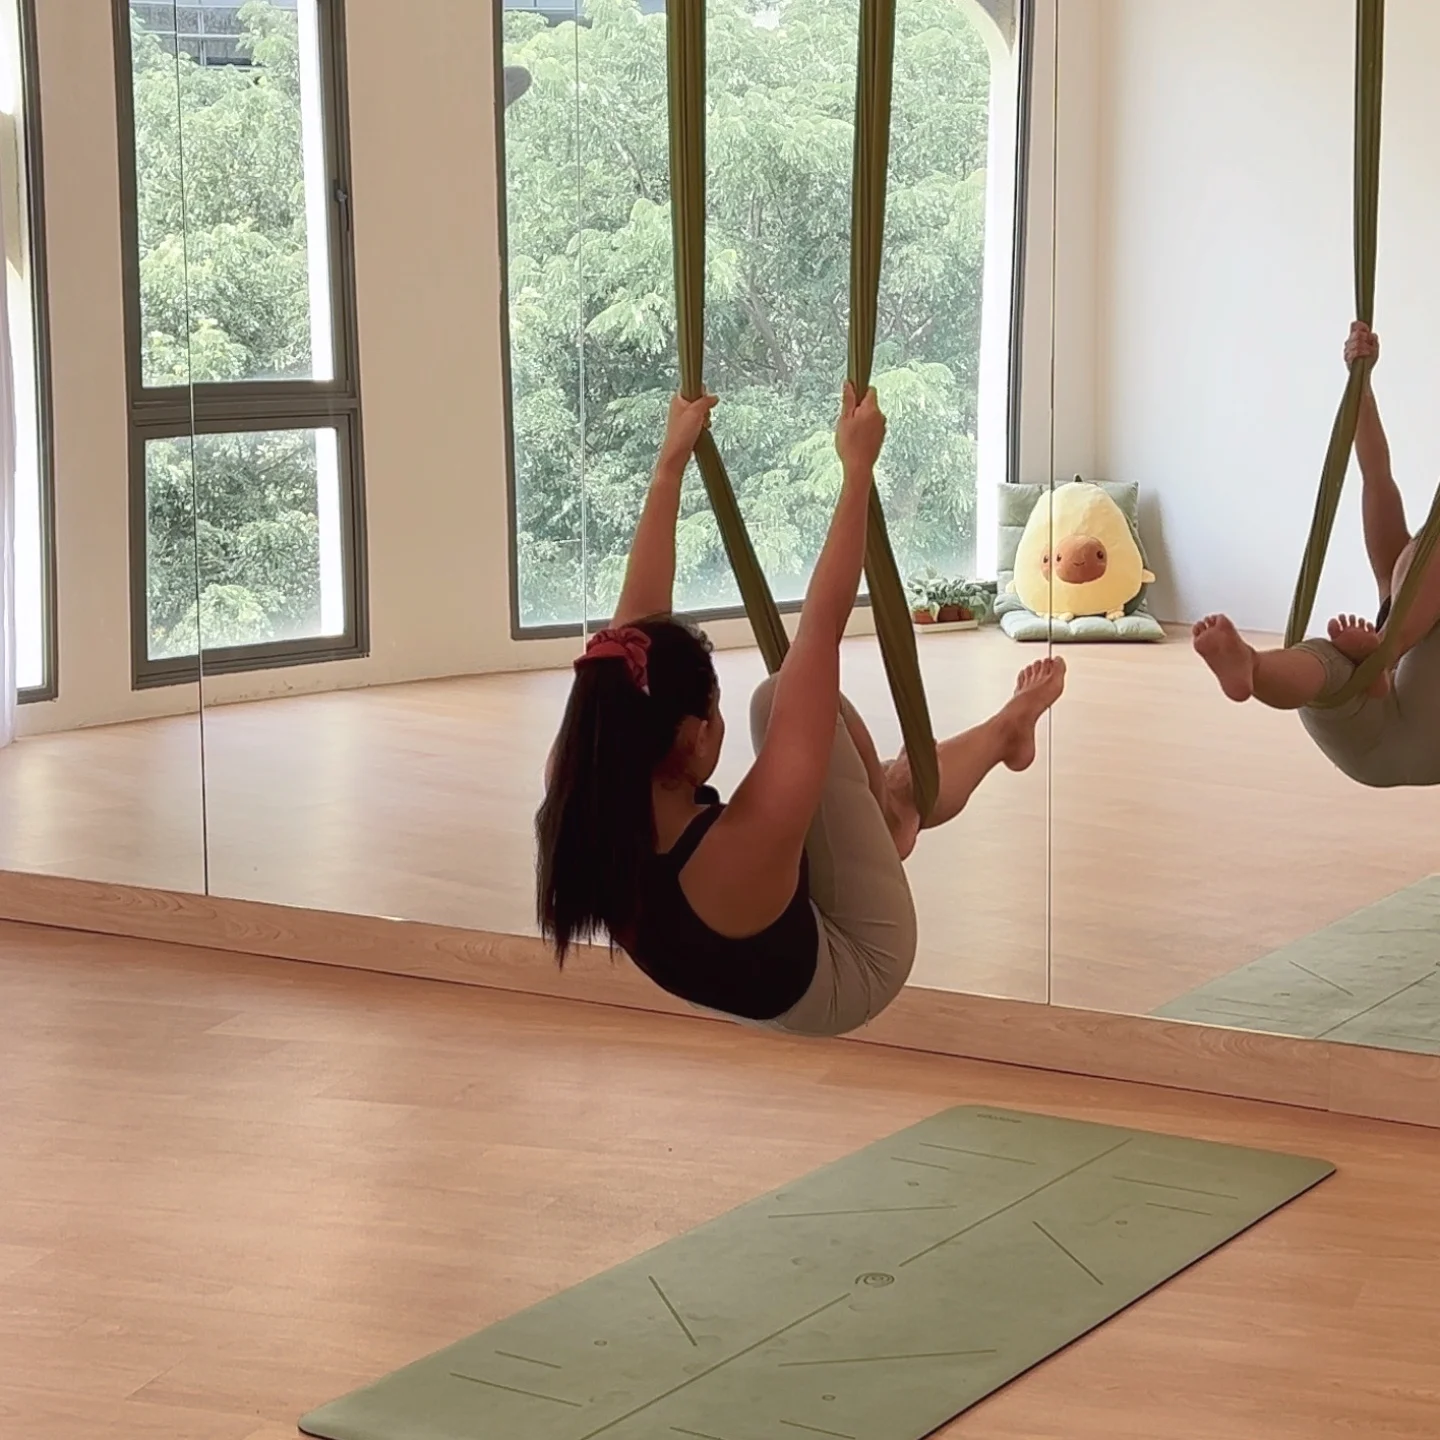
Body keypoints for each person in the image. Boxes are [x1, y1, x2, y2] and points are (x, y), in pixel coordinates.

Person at [536, 384, 1066, 1037]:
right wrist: (858, 471)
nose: (720, 721)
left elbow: (635, 629)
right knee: (795, 703)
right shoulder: (732, 856)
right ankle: (906, 805)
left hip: (742, 952)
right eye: (714, 712)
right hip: (852, 969)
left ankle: (976, 750)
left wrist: (670, 462)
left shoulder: (587, 761)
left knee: (787, 708)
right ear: (695, 738)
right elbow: (819, 633)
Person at [1193, 321, 1440, 786]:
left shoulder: (1405, 584)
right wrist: (1360, 382)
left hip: (1409, 732)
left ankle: (1378, 659)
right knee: (1326, 662)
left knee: (1341, 661)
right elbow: (1376, 474)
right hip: (1372, 731)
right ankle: (1252, 665)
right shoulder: (1400, 575)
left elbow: (1378, 477)